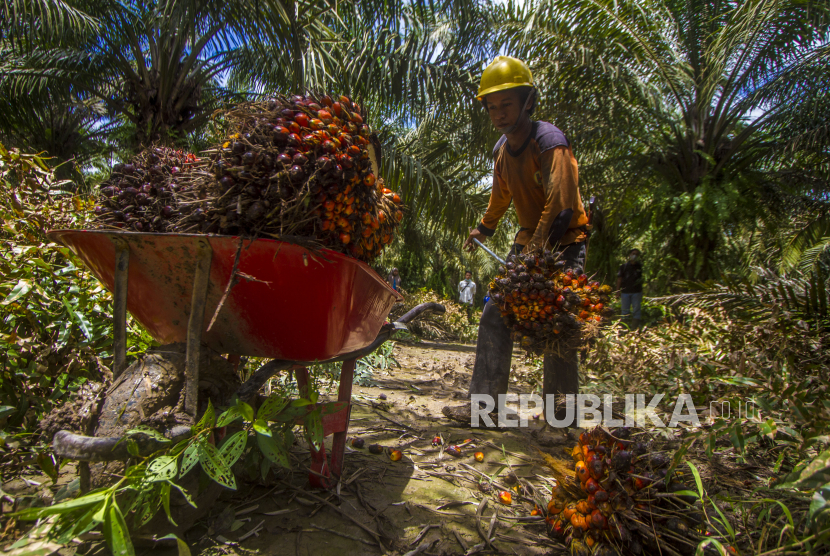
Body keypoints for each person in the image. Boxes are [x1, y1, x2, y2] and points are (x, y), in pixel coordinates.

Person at [443, 56, 589, 425]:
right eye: (492, 107)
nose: (498, 113)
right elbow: (501, 196)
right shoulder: (502, 151)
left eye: (506, 104)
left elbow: (560, 209)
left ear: (527, 102)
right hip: (528, 245)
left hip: (565, 244)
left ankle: (562, 418)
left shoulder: (550, 143)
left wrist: (534, 255)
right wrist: (484, 228)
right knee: (495, 315)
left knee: (559, 325)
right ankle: (485, 409)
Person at [616, 249, 643, 329]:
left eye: (636, 254)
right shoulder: (624, 267)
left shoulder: (640, 266)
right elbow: (619, 279)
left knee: (636, 311)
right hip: (625, 292)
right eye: (633, 253)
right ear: (630, 255)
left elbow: (642, 279)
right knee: (624, 312)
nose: (634, 255)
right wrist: (618, 291)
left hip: (637, 292)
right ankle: (623, 329)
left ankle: (634, 330)